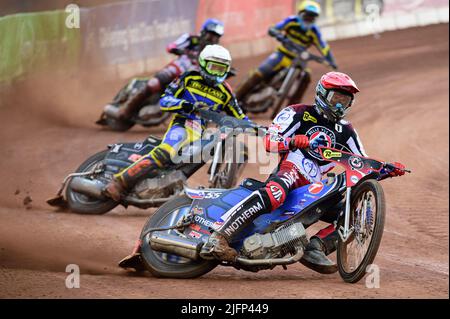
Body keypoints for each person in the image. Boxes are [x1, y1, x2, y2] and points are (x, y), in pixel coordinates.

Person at [202, 71, 406, 274]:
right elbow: (269, 142)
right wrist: (293, 141)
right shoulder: (297, 112)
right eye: (336, 98)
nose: (339, 105)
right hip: (291, 169)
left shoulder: (347, 130)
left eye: (344, 101)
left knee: (352, 214)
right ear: (322, 94)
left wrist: (385, 168)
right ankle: (220, 236)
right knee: (274, 193)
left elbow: (361, 162)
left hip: (317, 187)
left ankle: (316, 248)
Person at [104, 44, 248, 200]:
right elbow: (165, 100)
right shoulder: (188, 78)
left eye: (221, 69)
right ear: (203, 64)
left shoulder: (226, 92)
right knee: (166, 152)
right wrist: (183, 105)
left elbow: (240, 116)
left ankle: (169, 183)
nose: (216, 73)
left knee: (202, 153)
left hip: (200, 133)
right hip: (181, 125)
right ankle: (120, 182)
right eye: (213, 67)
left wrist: (261, 129)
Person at [112, 18, 225, 120]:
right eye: (211, 35)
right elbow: (172, 46)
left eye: (216, 37)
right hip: (175, 70)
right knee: (153, 84)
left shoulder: (214, 52)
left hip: (189, 80)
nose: (213, 39)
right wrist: (179, 50)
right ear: (204, 32)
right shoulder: (192, 39)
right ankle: (126, 109)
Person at [235, 0, 337, 105]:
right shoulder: (291, 21)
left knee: (307, 77)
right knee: (260, 72)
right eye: (307, 15)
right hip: (282, 54)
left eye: (312, 17)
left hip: (300, 60)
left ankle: (294, 108)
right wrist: (277, 34)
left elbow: (324, 48)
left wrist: (332, 61)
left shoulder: (315, 31)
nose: (309, 19)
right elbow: (275, 28)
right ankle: (235, 98)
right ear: (301, 13)